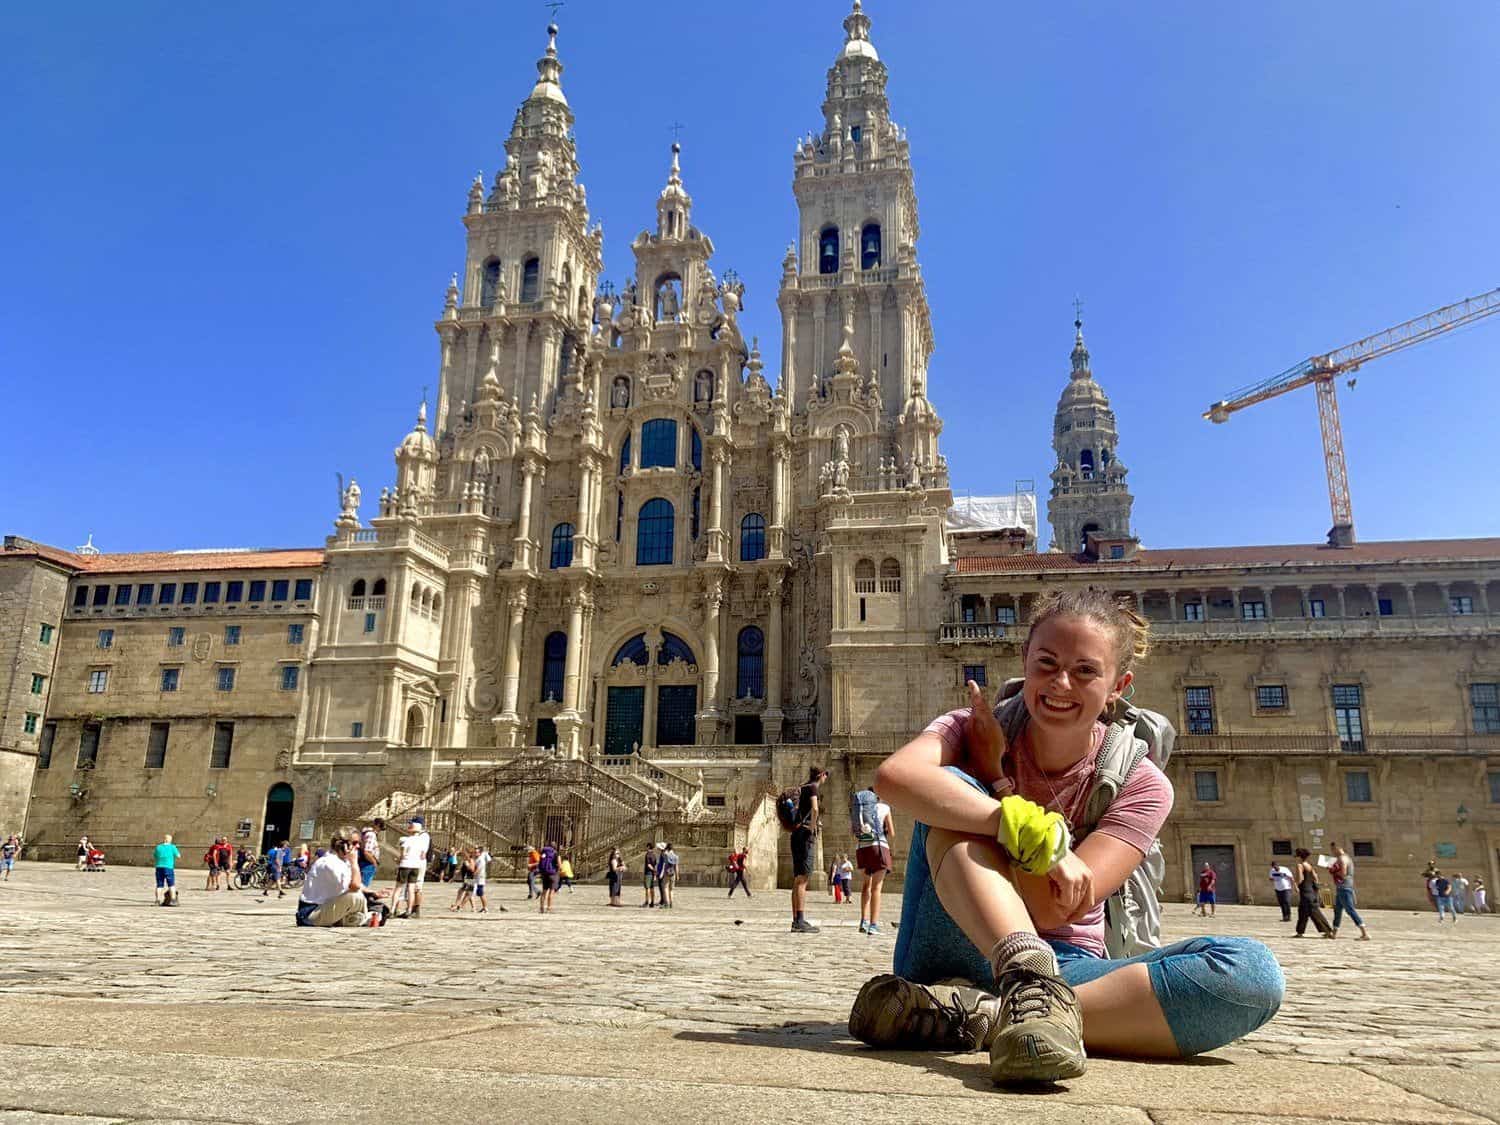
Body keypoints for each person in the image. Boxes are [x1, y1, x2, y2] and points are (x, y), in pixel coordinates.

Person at [847, 588, 1283, 1086]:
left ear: (1119, 684)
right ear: (1026, 663)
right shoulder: (971, 731)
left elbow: (1057, 910)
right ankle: (1026, 991)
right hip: (953, 944)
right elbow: (895, 779)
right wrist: (1004, 802)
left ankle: (987, 1014)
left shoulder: (1140, 783)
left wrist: (1003, 788)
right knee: (953, 794)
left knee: (1251, 975)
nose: (1060, 683)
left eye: (1084, 671)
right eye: (1047, 664)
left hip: (1063, 968)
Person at [297, 830, 381, 927]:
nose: (358, 846)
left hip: (326, 906)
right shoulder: (329, 862)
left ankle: (356, 918)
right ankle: (364, 918)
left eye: (359, 843)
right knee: (355, 896)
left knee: (367, 898)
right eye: (354, 843)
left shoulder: (342, 861)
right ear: (341, 845)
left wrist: (373, 892)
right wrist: (354, 863)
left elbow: (353, 883)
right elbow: (355, 886)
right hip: (310, 913)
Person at [790, 766, 828, 934]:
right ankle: (799, 921)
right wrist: (813, 827)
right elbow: (815, 808)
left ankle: (796, 920)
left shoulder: (802, 787)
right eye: (826, 775)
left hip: (796, 834)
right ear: (822, 775)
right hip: (805, 835)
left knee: (797, 879)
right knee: (803, 880)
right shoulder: (813, 787)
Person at [855, 792, 894, 936]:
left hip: (862, 848)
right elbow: (892, 831)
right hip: (879, 847)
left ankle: (863, 921)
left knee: (866, 886)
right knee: (876, 888)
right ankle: (873, 925)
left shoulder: (861, 810)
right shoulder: (885, 807)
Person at [1327, 842, 1369, 940]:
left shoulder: (1342, 858)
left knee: (1350, 910)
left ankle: (1364, 933)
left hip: (1344, 887)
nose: (1332, 852)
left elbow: (1343, 873)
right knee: (1337, 910)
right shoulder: (1346, 858)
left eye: (1332, 850)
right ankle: (1334, 933)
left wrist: (1332, 869)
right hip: (1341, 887)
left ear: (1336, 848)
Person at [1293, 848, 1335, 938]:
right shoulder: (1309, 865)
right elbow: (1315, 878)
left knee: (1314, 912)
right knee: (1302, 912)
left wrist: (1295, 884)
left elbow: (1300, 878)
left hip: (1305, 892)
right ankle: (1300, 932)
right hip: (1311, 891)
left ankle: (1328, 931)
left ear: (1299, 857)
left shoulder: (1300, 865)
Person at [394, 816, 430, 918]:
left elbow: (422, 853)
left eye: (411, 823)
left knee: (416, 887)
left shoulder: (423, 836)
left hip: (417, 863)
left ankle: (415, 910)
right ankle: (409, 909)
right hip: (414, 862)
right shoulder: (418, 836)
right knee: (410, 887)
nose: (409, 825)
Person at [153, 832, 181, 906]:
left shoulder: (158, 847)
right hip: (168, 867)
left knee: (159, 885)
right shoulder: (172, 847)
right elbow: (178, 856)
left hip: (159, 867)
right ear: (170, 840)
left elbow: (155, 856)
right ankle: (173, 900)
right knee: (171, 885)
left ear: (164, 840)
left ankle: (157, 900)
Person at [357, 819, 384, 887]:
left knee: (360, 885)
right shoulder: (371, 834)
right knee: (364, 886)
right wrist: (374, 863)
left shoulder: (364, 832)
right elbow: (367, 852)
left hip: (363, 861)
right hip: (368, 864)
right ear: (377, 826)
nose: (380, 831)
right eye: (380, 828)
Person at [537, 841, 561, 913]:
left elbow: (540, 862)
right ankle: (549, 908)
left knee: (544, 891)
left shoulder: (543, 853)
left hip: (544, 874)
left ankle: (541, 908)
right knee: (551, 891)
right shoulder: (556, 853)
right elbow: (559, 864)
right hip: (553, 874)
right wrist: (558, 871)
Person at [657, 842, 678, 908]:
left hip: (666, 873)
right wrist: (677, 875)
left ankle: (666, 903)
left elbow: (664, 865)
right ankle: (671, 903)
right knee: (671, 889)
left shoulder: (666, 855)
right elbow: (676, 867)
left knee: (665, 887)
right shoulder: (676, 856)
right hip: (673, 873)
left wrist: (661, 874)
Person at [642, 842, 660, 908]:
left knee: (647, 888)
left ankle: (647, 902)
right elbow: (655, 864)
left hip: (648, 873)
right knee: (652, 888)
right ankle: (652, 902)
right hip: (652, 874)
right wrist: (655, 872)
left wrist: (653, 870)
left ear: (648, 847)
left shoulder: (648, 855)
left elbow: (648, 865)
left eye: (646, 847)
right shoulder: (654, 855)